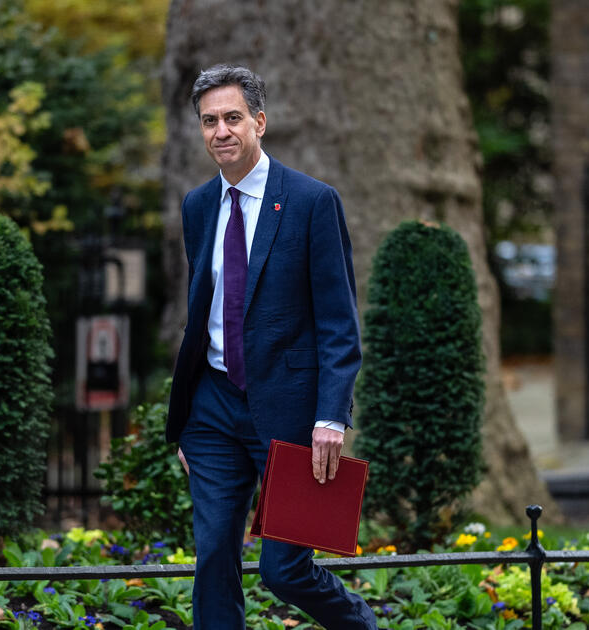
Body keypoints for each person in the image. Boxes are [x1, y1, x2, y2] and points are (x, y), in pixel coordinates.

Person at [166, 64, 376, 629]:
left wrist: (332, 415)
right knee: (212, 558)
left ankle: (362, 625)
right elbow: (201, 314)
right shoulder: (197, 206)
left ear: (260, 122)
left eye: (233, 117)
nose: (221, 131)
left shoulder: (311, 202)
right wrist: (185, 419)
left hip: (290, 410)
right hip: (211, 409)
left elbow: (338, 320)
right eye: (209, 121)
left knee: (284, 571)